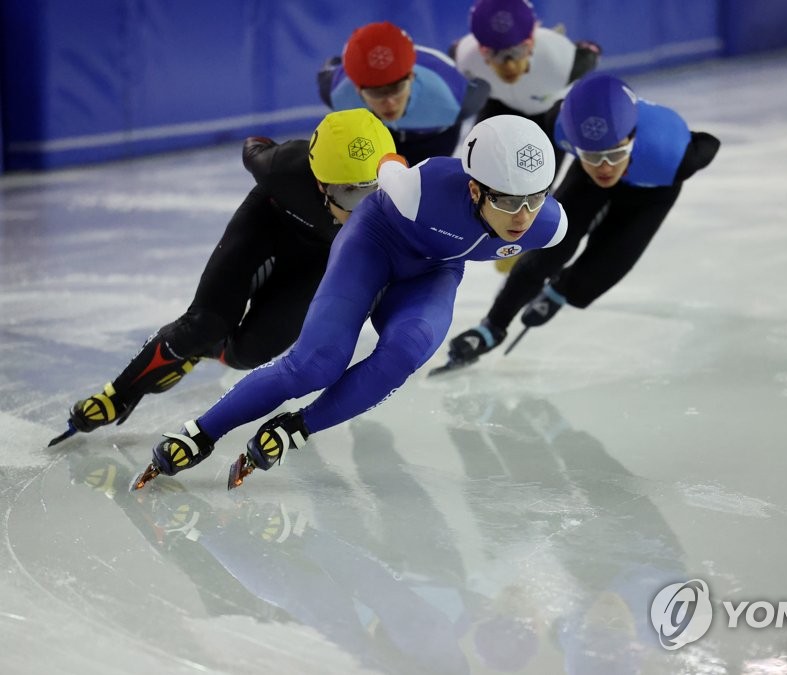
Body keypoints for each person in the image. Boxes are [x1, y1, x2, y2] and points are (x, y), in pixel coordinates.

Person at [132, 114, 568, 489]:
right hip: (374, 243)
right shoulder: (421, 188)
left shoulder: (548, 226)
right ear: (474, 190)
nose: (523, 216)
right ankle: (201, 433)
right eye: (508, 201)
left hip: (433, 270)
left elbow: (547, 225)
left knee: (409, 348)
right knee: (316, 364)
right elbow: (388, 165)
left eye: (535, 199)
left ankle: (296, 428)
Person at [56, 109, 396, 445]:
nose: (363, 209)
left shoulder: (402, 195)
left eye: (375, 191)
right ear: (320, 182)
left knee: (246, 355)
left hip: (317, 262)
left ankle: (202, 350)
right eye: (349, 194)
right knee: (204, 323)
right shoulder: (281, 168)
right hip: (267, 227)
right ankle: (118, 395)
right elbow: (255, 145)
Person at [442, 73, 720, 369]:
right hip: (585, 181)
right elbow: (548, 162)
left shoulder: (677, 155)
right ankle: (493, 327)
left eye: (614, 154)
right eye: (591, 155)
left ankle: (561, 291)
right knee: (549, 246)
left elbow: (710, 142)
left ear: (633, 139)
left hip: (653, 190)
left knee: (607, 265)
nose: (604, 167)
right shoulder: (560, 123)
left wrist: (563, 291)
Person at [317, 21, 490, 166]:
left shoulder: (452, 99)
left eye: (396, 88)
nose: (390, 102)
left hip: (432, 139)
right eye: (377, 93)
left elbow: (483, 85)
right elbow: (333, 64)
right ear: (357, 89)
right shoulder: (337, 91)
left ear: (411, 77)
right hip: (381, 133)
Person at [451, 0, 601, 149]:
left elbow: (590, 53)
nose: (509, 66)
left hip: (549, 112)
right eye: (495, 53)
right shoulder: (465, 58)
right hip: (501, 104)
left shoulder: (562, 62)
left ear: (531, 43)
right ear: (480, 50)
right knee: (477, 159)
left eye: (517, 51)